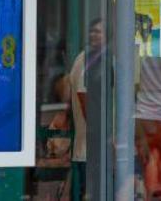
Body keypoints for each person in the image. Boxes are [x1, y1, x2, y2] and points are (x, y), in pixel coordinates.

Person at [67, 19, 104, 201]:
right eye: (92, 31)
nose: (94, 35)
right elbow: (84, 98)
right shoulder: (85, 60)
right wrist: (103, 135)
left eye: (99, 31)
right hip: (90, 150)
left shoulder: (101, 59)